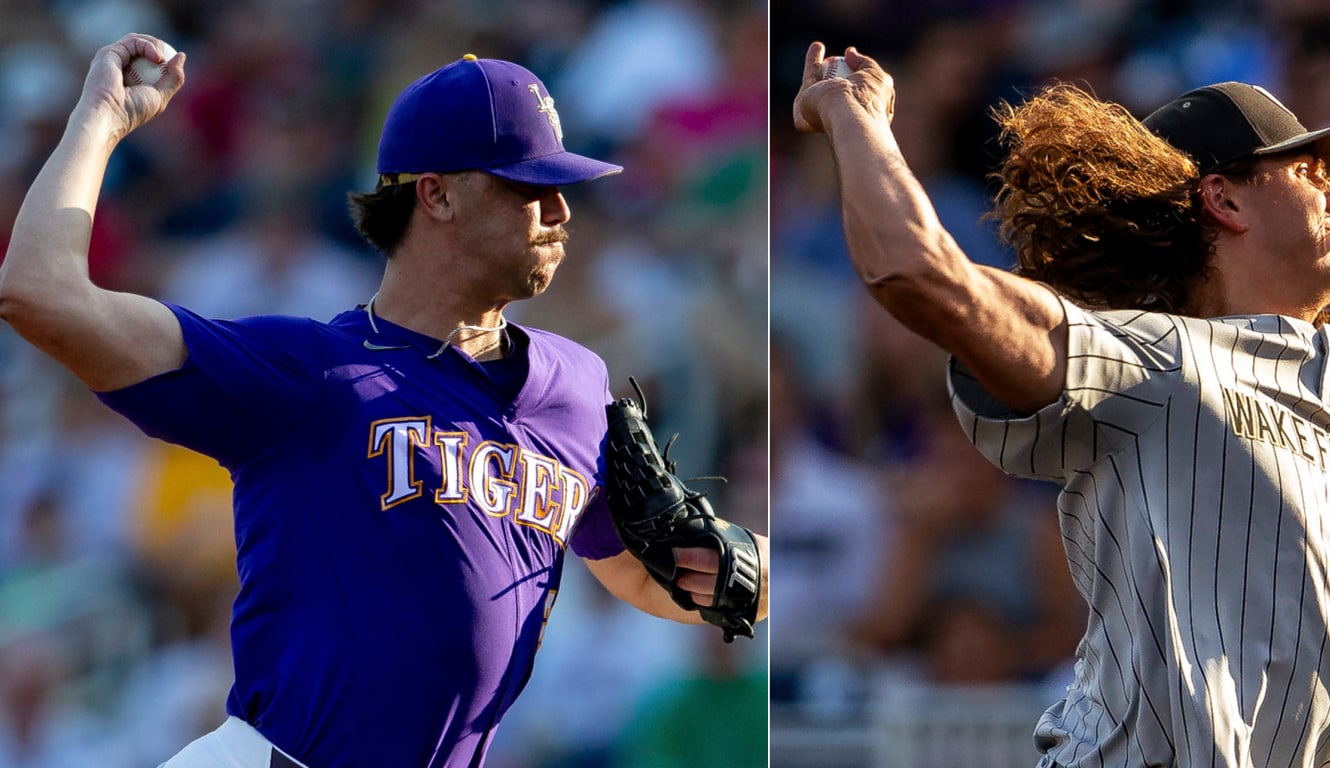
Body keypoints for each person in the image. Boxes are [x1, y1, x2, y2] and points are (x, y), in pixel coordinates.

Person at [0, 33, 768, 768]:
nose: (561, 211)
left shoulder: (577, 390)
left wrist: (745, 571)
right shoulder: (308, 373)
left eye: (562, 188)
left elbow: (651, 578)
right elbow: (39, 293)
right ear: (435, 195)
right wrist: (99, 121)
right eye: (529, 186)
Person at [793, 42, 1330, 767]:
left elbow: (1326, 681)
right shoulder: (1148, 356)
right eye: (1306, 170)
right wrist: (856, 118)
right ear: (1224, 198)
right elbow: (917, 272)